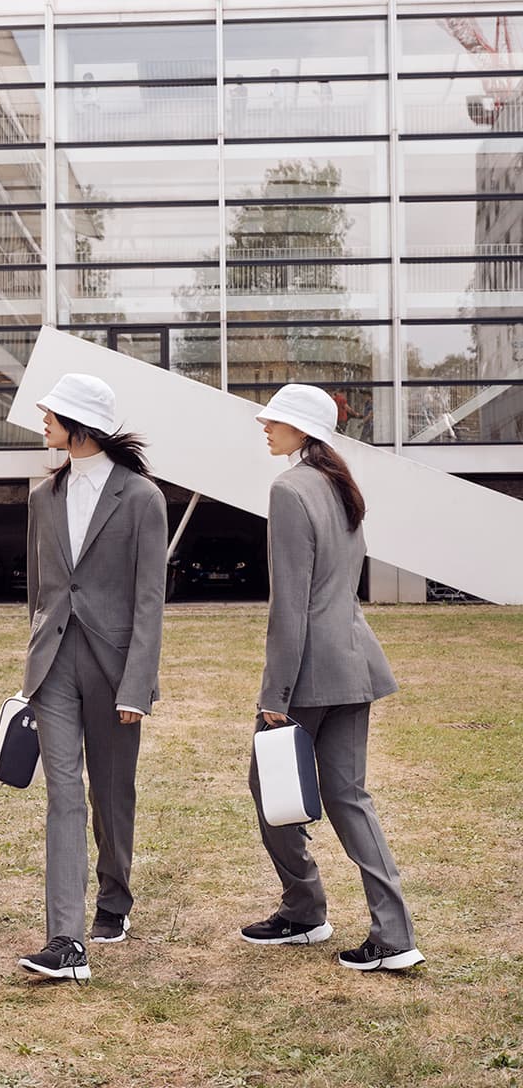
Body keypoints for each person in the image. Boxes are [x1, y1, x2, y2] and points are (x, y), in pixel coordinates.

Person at [241, 383, 424, 973]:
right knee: (348, 797)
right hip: (354, 659)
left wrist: (275, 695)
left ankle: (303, 910)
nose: (265, 426)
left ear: (302, 431)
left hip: (313, 669)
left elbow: (289, 604)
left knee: (270, 786)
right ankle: (393, 936)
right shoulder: (340, 484)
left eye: (275, 420)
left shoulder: (290, 488)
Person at [17, 373, 168, 982]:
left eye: (50, 413)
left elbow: (150, 600)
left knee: (109, 793)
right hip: (53, 663)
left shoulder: (141, 498)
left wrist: (138, 684)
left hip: (114, 666)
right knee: (61, 795)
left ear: (80, 422)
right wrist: (33, 652)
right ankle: (65, 940)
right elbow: (39, 591)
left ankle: (114, 899)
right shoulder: (41, 498)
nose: (42, 420)